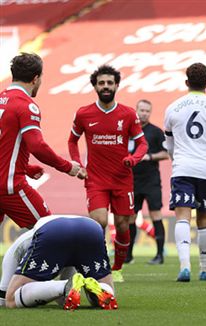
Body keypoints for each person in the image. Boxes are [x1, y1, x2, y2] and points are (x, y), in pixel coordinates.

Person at [68, 65, 148, 282]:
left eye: (109, 83)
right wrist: (76, 163)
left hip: (122, 180)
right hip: (95, 180)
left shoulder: (128, 114)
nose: (105, 86)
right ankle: (99, 264)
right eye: (101, 83)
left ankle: (118, 267)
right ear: (95, 85)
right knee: (98, 222)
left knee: (123, 225)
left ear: (117, 86)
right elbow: (72, 140)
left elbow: (142, 144)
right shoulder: (84, 114)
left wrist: (133, 158)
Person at [164, 62, 206, 282]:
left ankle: (184, 267)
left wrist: (177, 161)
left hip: (182, 168)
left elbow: (169, 144)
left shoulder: (173, 108)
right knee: (204, 219)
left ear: (186, 82)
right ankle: (204, 268)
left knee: (183, 217)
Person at [0, 53, 80, 229]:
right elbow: (37, 146)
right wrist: (67, 167)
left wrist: (25, 167)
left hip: (6, 178)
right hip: (9, 186)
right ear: (35, 78)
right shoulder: (26, 105)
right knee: (49, 230)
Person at [4, 215, 117, 310]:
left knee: (11, 299)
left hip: (53, 232)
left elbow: (5, 297)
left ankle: (63, 287)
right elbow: (71, 270)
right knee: (107, 292)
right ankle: (96, 287)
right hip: (92, 228)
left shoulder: (23, 242)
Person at [126, 99, 169, 265]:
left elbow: (166, 153)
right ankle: (128, 255)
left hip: (151, 181)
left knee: (155, 215)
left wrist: (149, 156)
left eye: (147, 111)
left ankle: (159, 255)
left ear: (150, 113)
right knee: (130, 217)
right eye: (141, 110)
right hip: (131, 181)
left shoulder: (156, 132)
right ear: (136, 110)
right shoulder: (128, 131)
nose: (144, 113)